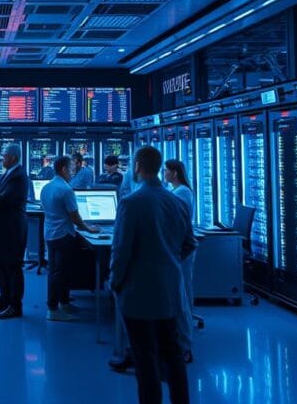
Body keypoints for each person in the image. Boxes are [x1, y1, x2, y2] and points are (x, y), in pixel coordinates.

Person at [110, 146, 195, 404]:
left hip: (138, 293)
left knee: (145, 360)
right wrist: (168, 262)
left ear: (137, 166)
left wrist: (115, 283)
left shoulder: (130, 203)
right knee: (173, 354)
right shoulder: (176, 201)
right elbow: (190, 243)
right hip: (170, 291)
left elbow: (121, 250)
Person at [42, 155, 99, 322]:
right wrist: (89, 228)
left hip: (50, 234)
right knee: (59, 272)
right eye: (71, 169)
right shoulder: (66, 190)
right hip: (63, 235)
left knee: (57, 270)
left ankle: (64, 303)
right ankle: (53, 309)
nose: (73, 173)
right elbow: (75, 216)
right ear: (64, 169)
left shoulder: (47, 187)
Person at [0, 143, 29, 320]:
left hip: (11, 229)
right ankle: (4, 300)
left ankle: (15, 306)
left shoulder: (18, 177)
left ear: (13, 158)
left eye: (4, 156)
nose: (2, 159)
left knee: (12, 266)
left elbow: (0, 201)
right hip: (1, 227)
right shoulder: (9, 174)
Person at [164, 159, 197, 363]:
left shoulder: (182, 193)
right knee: (182, 290)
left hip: (180, 249)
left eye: (166, 171)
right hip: (177, 247)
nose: (164, 174)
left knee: (182, 293)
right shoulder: (177, 191)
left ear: (175, 173)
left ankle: (185, 345)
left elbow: (176, 222)